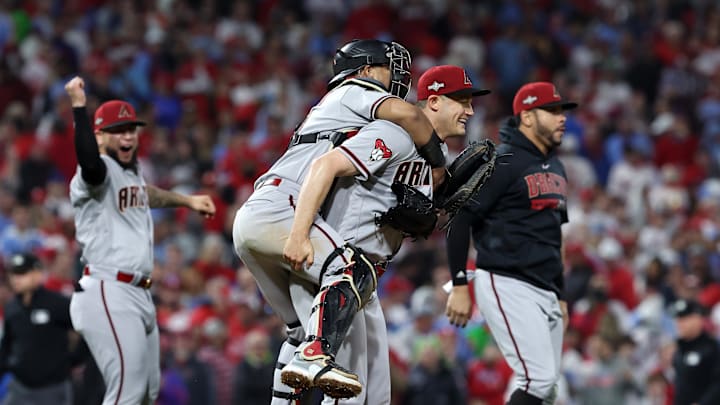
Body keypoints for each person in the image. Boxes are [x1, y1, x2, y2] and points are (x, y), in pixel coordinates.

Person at [232, 39, 448, 404]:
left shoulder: (334, 111)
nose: (395, 77)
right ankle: (318, 355)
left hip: (257, 218)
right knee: (353, 268)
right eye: (386, 68)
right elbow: (410, 116)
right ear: (364, 70)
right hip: (285, 207)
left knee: (300, 331)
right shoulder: (353, 90)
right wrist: (439, 165)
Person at [278, 64, 490, 400]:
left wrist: (439, 204)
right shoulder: (395, 133)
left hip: (366, 277)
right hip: (339, 270)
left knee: (375, 396)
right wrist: (299, 234)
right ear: (433, 101)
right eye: (461, 100)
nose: (470, 110)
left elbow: (405, 214)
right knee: (345, 391)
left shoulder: (437, 156)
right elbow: (328, 165)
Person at [64, 76, 216, 405]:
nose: (128, 136)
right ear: (100, 136)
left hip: (139, 294)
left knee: (146, 393)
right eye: (118, 130)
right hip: (109, 289)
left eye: (131, 129)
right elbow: (89, 161)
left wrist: (187, 201)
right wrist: (79, 108)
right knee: (127, 393)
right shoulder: (97, 170)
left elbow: (147, 195)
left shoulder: (131, 171)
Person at [444, 81, 577, 405]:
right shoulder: (502, 161)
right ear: (528, 117)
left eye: (562, 111)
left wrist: (560, 293)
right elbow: (460, 220)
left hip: (546, 286)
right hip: (508, 281)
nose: (562, 118)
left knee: (548, 391)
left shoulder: (556, 166)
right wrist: (460, 284)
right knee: (538, 380)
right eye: (552, 111)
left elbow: (554, 234)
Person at [0, 252, 85, 405]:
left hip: (52, 388)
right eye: (14, 274)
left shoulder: (57, 303)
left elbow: (84, 330)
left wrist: (74, 359)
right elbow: (7, 345)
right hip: (20, 387)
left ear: (37, 274)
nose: (16, 279)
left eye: (23, 273)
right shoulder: (12, 307)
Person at [669, 298, 720, 405]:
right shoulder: (679, 352)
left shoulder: (711, 348)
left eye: (684, 318)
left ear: (697, 318)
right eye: (678, 319)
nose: (679, 323)